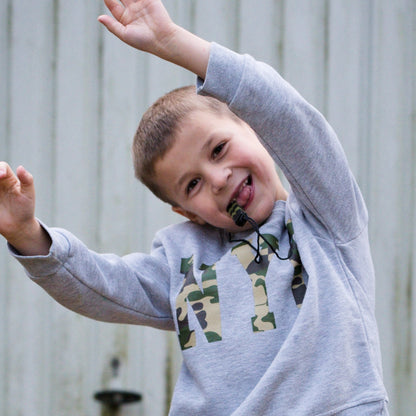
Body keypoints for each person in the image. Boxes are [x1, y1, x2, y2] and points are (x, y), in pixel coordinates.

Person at [0, 0, 389, 414]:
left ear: (257, 129)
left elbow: (286, 114)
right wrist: (27, 235)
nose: (219, 179)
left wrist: (174, 43)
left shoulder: (326, 219)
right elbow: (104, 286)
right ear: (188, 213)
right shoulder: (184, 261)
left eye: (219, 149)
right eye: (193, 184)